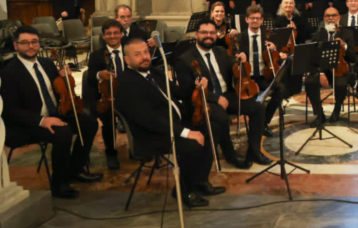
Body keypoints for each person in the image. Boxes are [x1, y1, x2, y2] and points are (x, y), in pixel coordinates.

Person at [117, 38, 222, 208]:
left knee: (214, 128)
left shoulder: (153, 72)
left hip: (173, 122)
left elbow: (178, 92)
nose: (144, 57)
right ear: (127, 60)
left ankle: (200, 180)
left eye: (146, 52)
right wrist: (186, 132)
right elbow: (150, 120)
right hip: (153, 134)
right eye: (137, 54)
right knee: (192, 145)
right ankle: (184, 190)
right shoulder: (126, 83)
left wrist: (196, 86)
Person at [1, 26, 102, 199]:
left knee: (89, 123)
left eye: (34, 42)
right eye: (24, 43)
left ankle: (75, 170)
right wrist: (42, 121)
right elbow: (9, 111)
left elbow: (57, 92)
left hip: (55, 113)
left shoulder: (47, 63)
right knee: (62, 133)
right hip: (27, 124)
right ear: (16, 46)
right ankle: (59, 184)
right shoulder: (8, 73)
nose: (30, 46)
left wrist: (64, 80)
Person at [174, 19, 271, 168]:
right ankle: (230, 155)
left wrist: (242, 64)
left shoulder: (220, 51)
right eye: (204, 32)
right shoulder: (185, 59)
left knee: (258, 106)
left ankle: (254, 151)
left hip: (227, 95)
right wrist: (215, 97)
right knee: (221, 117)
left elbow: (235, 69)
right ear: (196, 34)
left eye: (212, 33)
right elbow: (186, 91)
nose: (209, 36)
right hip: (204, 100)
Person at [84, 19, 127, 170]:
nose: (112, 36)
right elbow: (90, 79)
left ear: (122, 34)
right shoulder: (96, 55)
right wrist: (98, 74)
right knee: (108, 119)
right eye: (108, 33)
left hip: (127, 95)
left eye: (116, 33)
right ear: (103, 36)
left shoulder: (129, 51)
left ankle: (138, 148)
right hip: (106, 97)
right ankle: (111, 153)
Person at [241, 4, 288, 135]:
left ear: (262, 20)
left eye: (257, 18)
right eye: (252, 18)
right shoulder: (241, 38)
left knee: (281, 90)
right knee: (254, 101)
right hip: (247, 77)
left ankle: (264, 122)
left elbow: (277, 57)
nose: (254, 21)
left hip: (264, 75)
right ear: (247, 20)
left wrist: (275, 49)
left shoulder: (269, 36)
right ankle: (258, 124)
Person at [307, 7, 356, 124]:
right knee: (309, 82)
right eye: (327, 16)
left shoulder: (347, 33)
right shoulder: (319, 35)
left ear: (338, 17)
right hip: (322, 70)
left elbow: (353, 57)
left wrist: (344, 46)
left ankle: (337, 110)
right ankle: (320, 114)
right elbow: (312, 57)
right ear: (324, 18)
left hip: (341, 69)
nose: (330, 18)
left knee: (341, 84)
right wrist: (321, 73)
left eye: (333, 15)